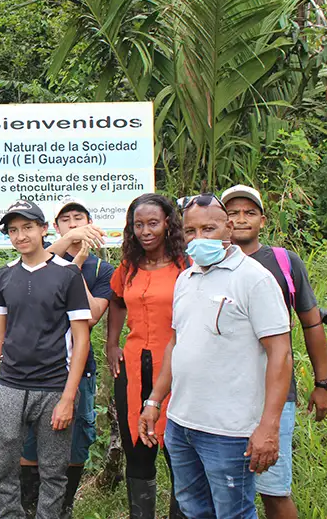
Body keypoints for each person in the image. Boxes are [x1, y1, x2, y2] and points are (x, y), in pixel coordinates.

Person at [138, 194, 293, 519]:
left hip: (229, 432)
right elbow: (176, 344)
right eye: (191, 231)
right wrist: (154, 401)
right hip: (182, 426)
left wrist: (268, 426)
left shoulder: (254, 279)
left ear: (229, 228)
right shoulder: (186, 278)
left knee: (233, 514)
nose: (199, 238)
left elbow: (280, 354)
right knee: (195, 511)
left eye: (208, 228)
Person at [222, 185, 327, 519]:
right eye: (233, 212)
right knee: (222, 490)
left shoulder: (284, 262)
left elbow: (312, 324)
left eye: (249, 212)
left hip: (275, 394)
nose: (241, 219)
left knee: (274, 490)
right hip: (221, 395)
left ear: (263, 220)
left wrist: (322, 383)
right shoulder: (205, 263)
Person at [0, 200, 91, 519]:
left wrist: (69, 398)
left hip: (54, 387)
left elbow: (81, 338)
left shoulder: (67, 274)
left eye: (27, 227)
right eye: (13, 230)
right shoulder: (4, 276)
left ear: (43, 229)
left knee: (53, 471)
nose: (20, 235)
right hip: (9, 386)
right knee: (3, 465)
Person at [19, 197, 115, 517]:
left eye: (80, 218)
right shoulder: (40, 258)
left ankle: (64, 504)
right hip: (36, 368)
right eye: (66, 219)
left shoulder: (102, 269)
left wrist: (77, 269)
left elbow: (90, 317)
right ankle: (30, 505)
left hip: (79, 368)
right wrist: (65, 248)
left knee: (78, 439)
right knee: (31, 439)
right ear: (56, 227)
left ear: (91, 222)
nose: (74, 224)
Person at [104, 193, 188, 519]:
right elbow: (116, 300)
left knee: (177, 451)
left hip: (177, 368)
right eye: (138, 224)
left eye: (153, 223)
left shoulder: (187, 265)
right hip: (134, 368)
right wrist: (112, 343)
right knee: (137, 450)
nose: (145, 231)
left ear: (168, 223)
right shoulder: (129, 267)